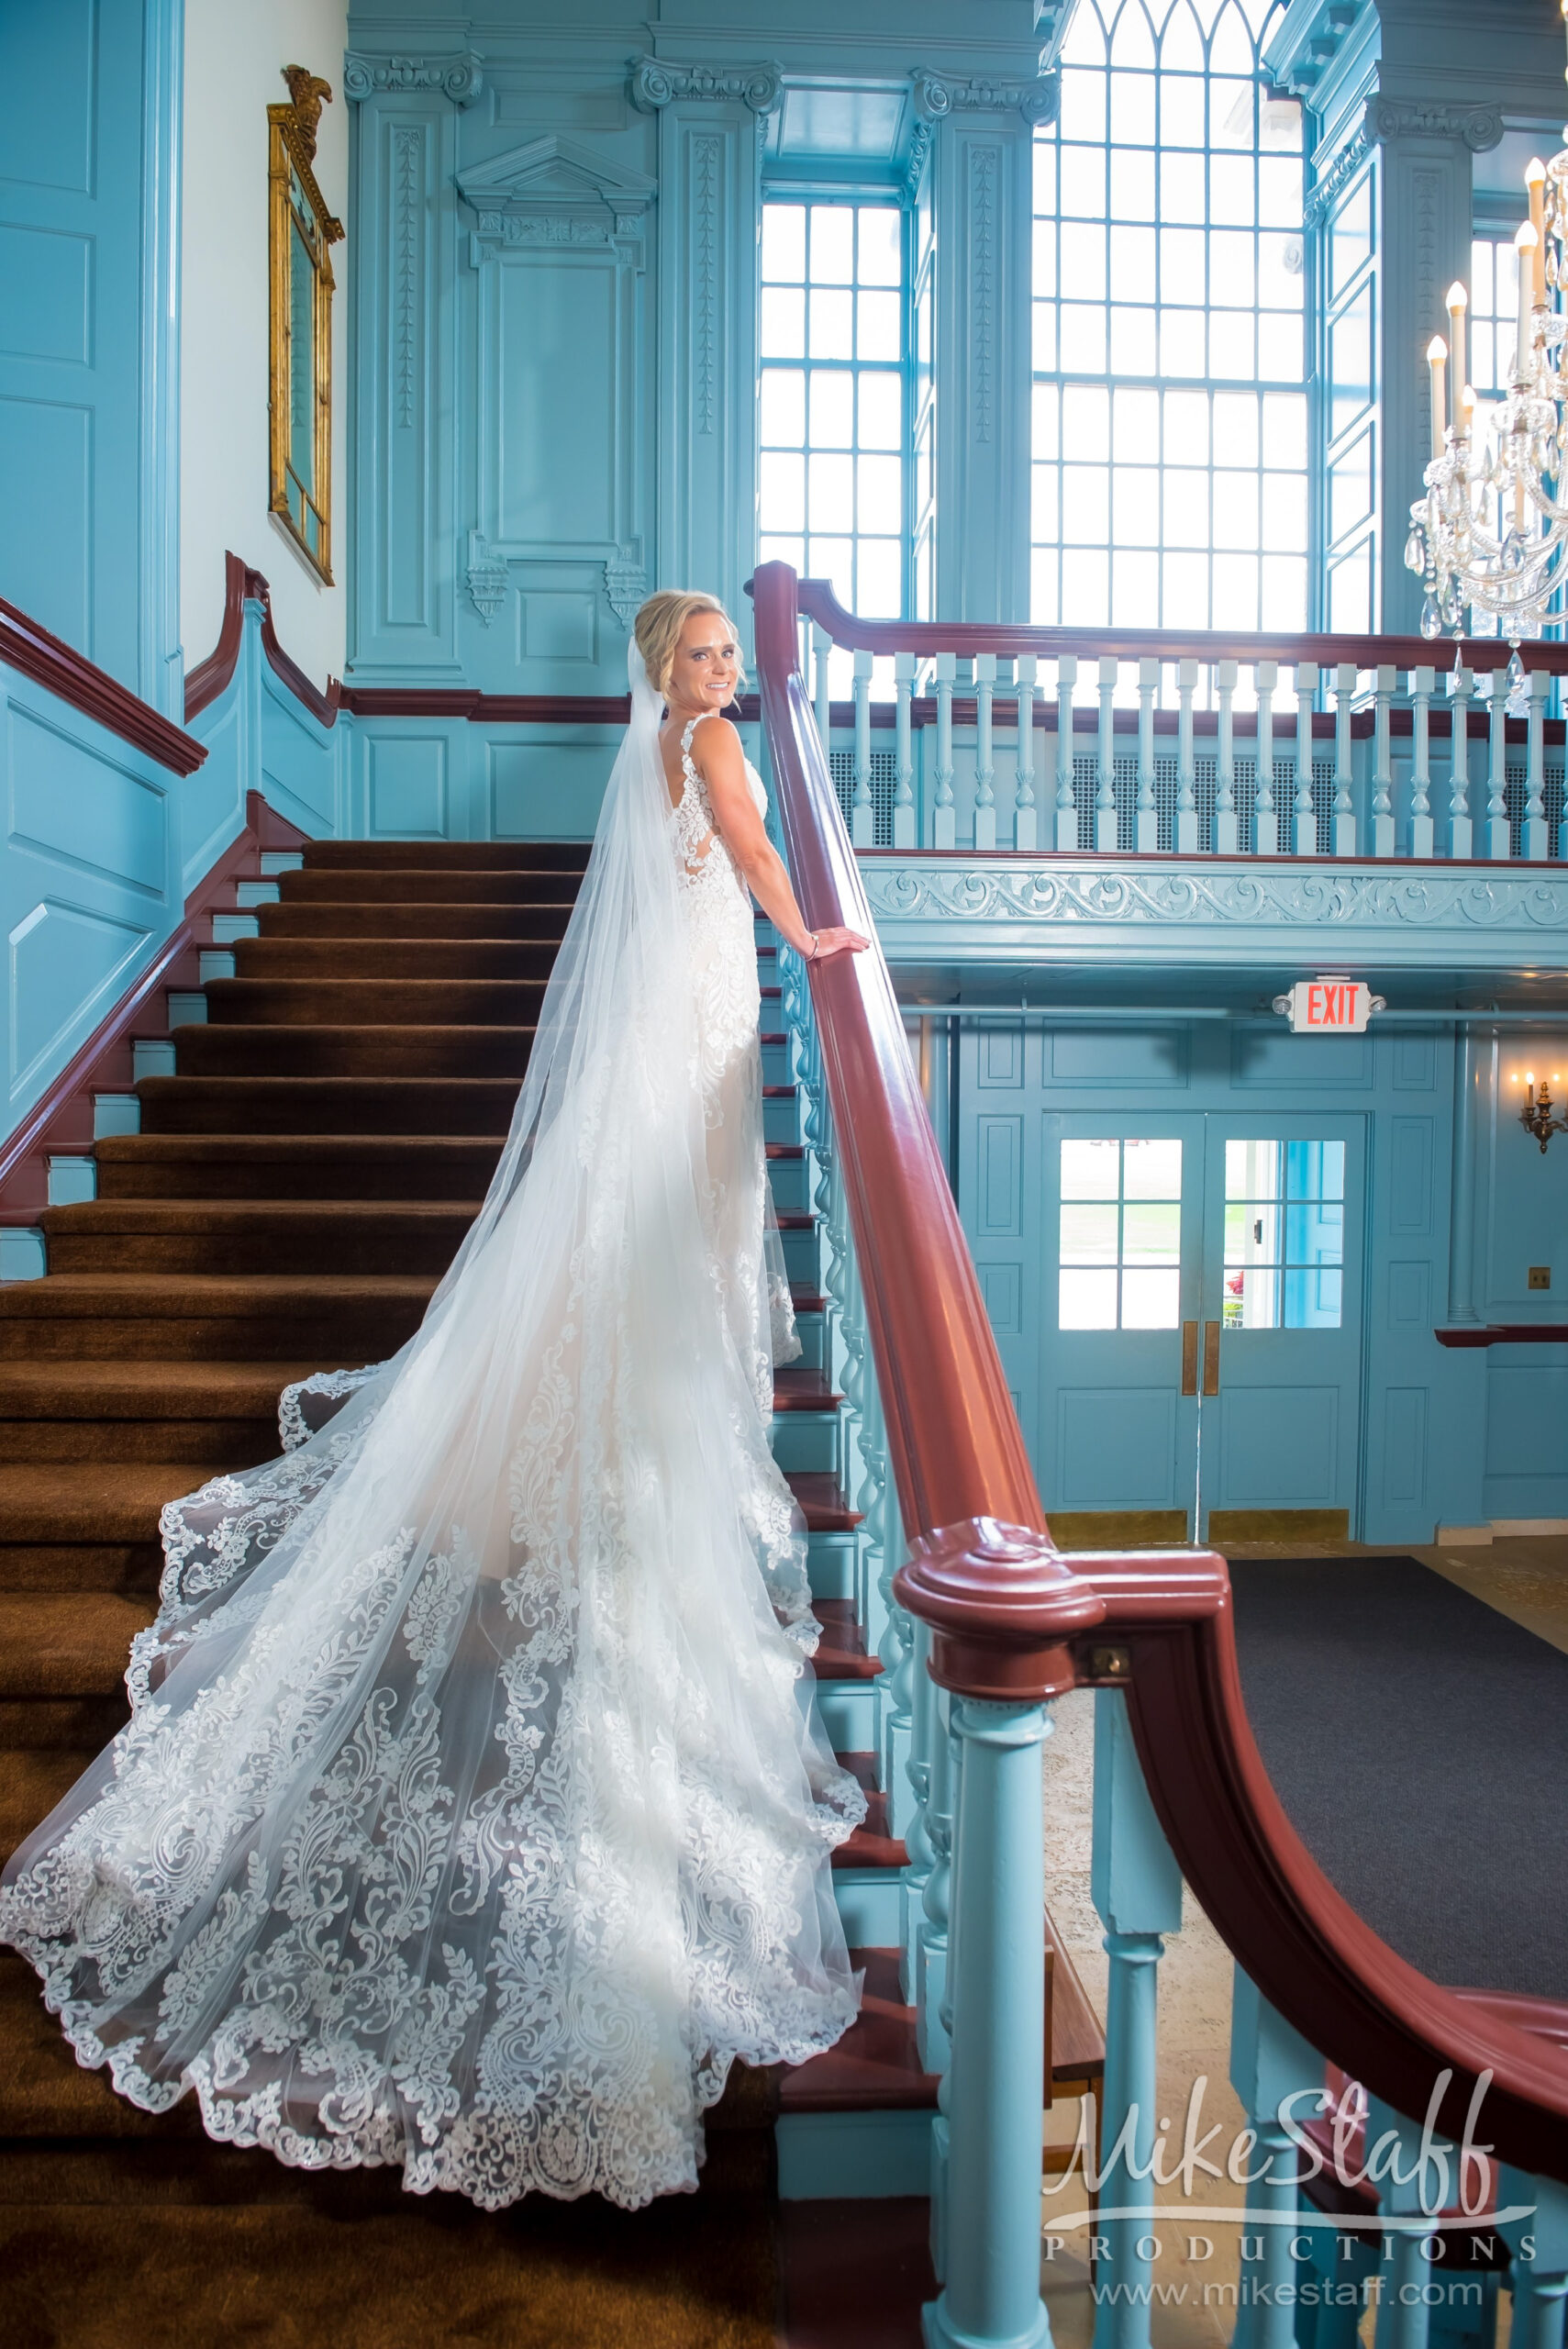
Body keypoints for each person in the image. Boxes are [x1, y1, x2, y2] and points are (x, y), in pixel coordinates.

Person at [0, 590, 873, 2212]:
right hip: (696, 1042)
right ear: (668, 677)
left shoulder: (655, 756)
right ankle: (631, 1481)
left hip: (667, 1040)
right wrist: (817, 935)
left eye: (723, 659)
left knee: (637, 1268)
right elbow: (756, 861)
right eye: (700, 657)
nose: (721, 675)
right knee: (672, 1268)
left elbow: (703, 868)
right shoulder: (718, 749)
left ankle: (610, 1463)